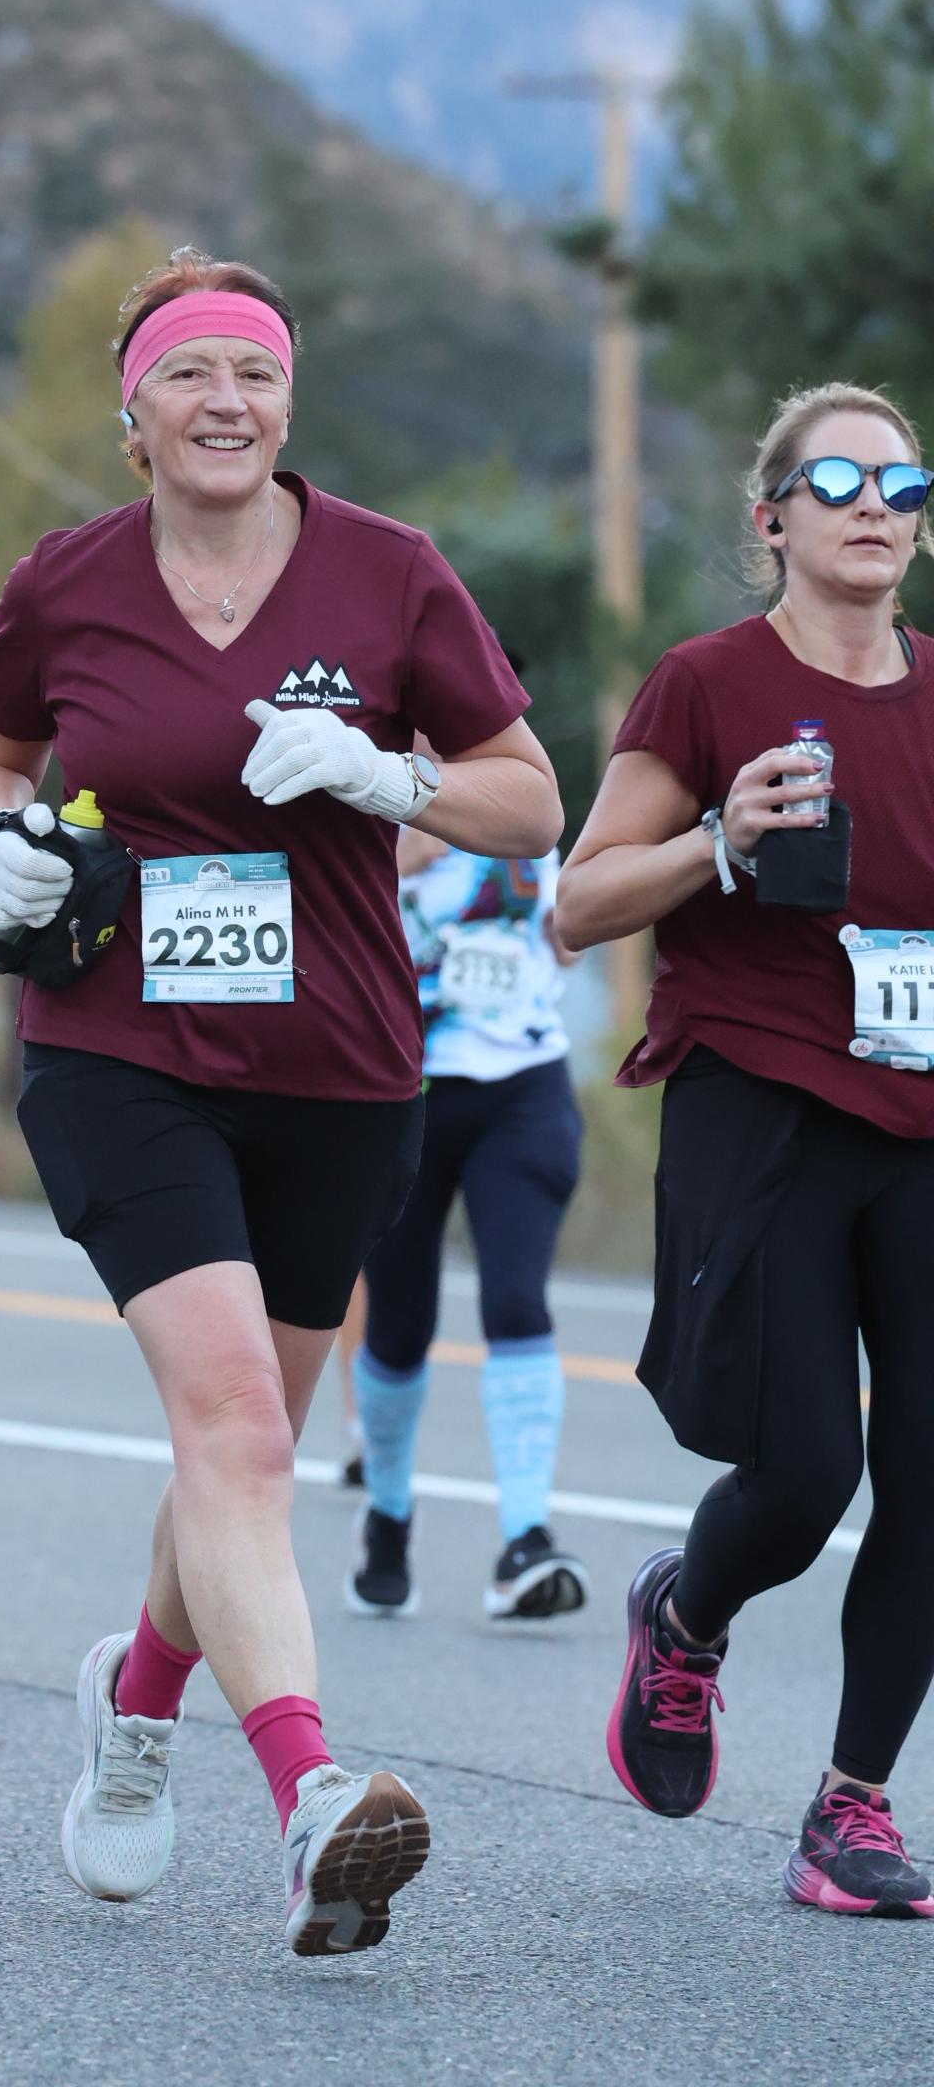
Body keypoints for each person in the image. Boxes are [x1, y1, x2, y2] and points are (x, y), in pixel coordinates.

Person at [0, 249, 562, 1955]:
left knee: (249, 1451)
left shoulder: (390, 573)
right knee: (230, 1420)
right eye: (192, 373)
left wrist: (386, 774)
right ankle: (310, 1798)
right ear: (133, 413)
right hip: (116, 1051)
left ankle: (136, 1707)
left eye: (257, 374)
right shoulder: (66, 582)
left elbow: (528, 801)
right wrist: (2, 844)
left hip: (339, 1068)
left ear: (290, 405)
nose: (227, 400)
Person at [558, 381, 934, 1918]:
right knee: (805, 1472)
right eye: (837, 480)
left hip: (925, 1113)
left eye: (903, 483)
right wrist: (720, 837)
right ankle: (688, 1616)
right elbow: (579, 901)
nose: (875, 504)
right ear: (772, 518)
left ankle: (854, 1807)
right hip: (764, 1098)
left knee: (929, 1477)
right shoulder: (708, 685)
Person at [347, 686, 588, 1624]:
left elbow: (564, 937)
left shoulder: (517, 804)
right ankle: (387, 1513)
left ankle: (526, 1537)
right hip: (402, 1091)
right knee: (399, 1326)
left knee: (518, 1299)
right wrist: (396, 852)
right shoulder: (360, 802)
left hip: (523, 1086)